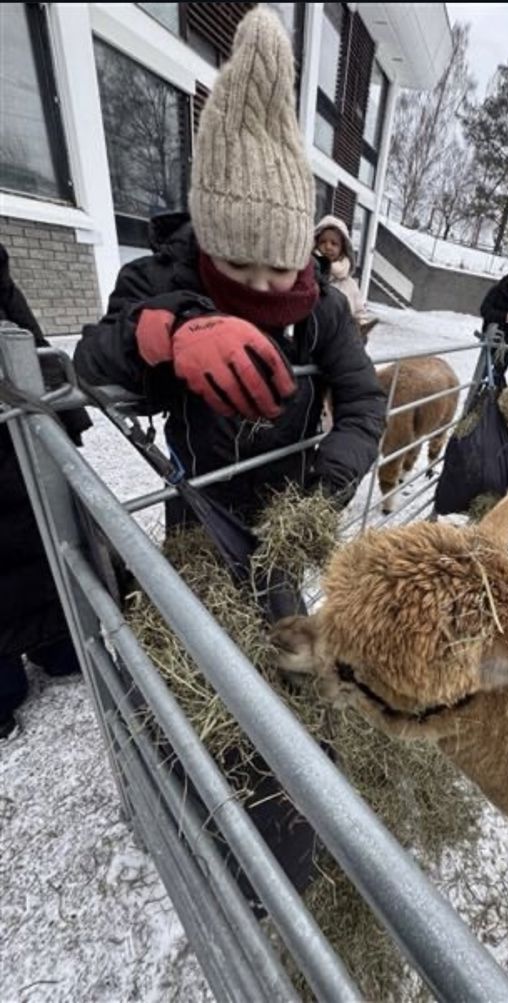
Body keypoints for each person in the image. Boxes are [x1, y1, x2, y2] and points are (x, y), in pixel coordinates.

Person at [74, 7, 386, 904]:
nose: (261, 289)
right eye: (238, 268)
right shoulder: (162, 279)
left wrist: (325, 482)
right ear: (209, 238)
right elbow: (92, 362)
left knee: (283, 648)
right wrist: (166, 332)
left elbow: (364, 400)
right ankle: (198, 785)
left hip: (284, 510)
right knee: (196, 649)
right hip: (200, 508)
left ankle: (292, 793)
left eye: (277, 269)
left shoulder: (321, 307)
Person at [0, 243, 91, 740]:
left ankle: (49, 640)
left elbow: (29, 339)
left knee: (37, 532)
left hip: (16, 443)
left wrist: (68, 424)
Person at [313, 215, 377, 341]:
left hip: (339, 343)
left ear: (343, 249)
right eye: (323, 242)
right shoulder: (308, 277)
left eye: (334, 243)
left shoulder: (349, 285)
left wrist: (361, 330)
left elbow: (359, 314)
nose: (328, 247)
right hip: (310, 342)